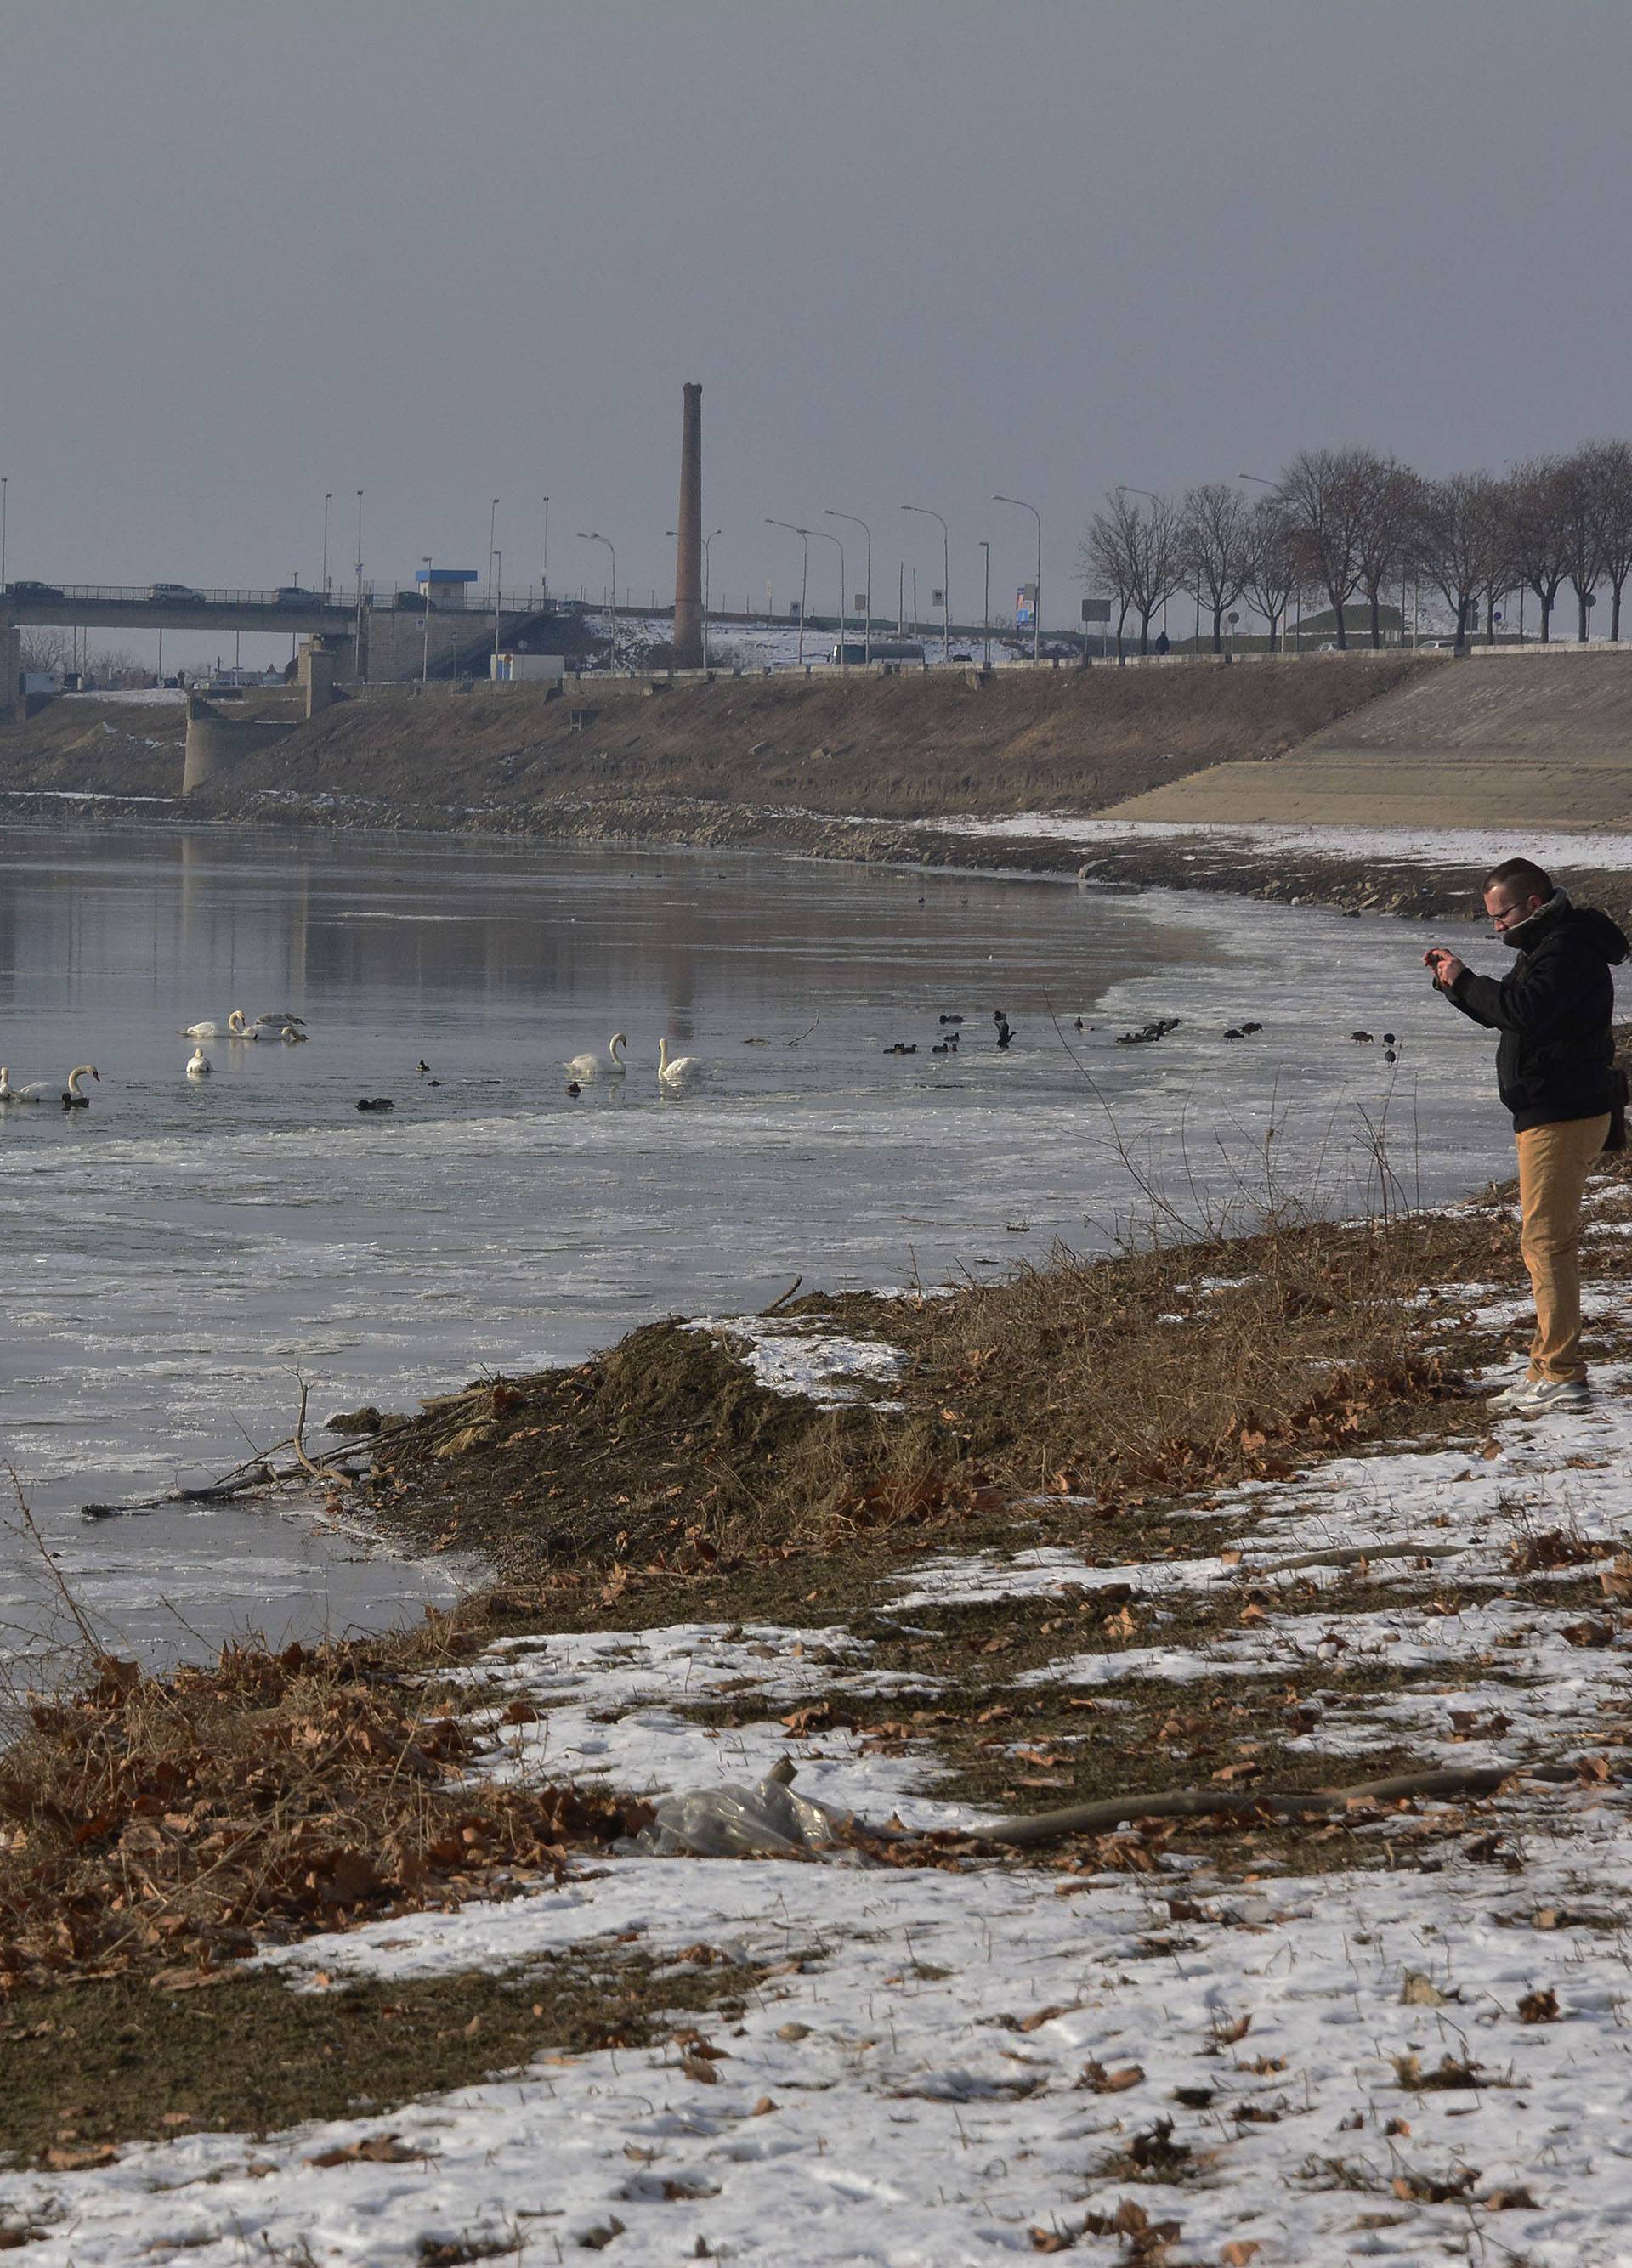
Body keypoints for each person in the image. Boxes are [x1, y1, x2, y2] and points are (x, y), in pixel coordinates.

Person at [1425, 857, 1627, 1415]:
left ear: (1533, 906)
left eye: (1501, 914)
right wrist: (1456, 987)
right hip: (1554, 1109)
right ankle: (1546, 1366)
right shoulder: (1552, 947)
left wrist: (1465, 979)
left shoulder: (1565, 950)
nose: (1496, 926)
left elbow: (1524, 1010)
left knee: (1546, 1242)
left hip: (1562, 1112)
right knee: (1544, 1240)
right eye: (1491, 917)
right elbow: (1511, 1015)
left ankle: (1561, 1372)